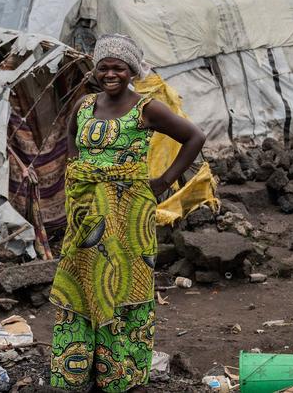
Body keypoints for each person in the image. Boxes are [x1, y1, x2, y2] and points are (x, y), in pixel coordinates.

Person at [49, 34, 206, 392]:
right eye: (103, 66)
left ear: (131, 70)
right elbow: (72, 137)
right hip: (86, 212)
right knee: (83, 283)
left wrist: (163, 182)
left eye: (118, 67)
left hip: (127, 215)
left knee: (122, 286)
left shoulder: (147, 108)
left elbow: (194, 137)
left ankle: (119, 376)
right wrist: (77, 170)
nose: (110, 73)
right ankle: (79, 372)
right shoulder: (86, 105)